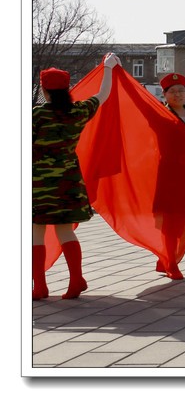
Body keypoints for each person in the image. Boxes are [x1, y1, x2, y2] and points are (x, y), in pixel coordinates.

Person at [32, 54, 120, 300]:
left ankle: (39, 286)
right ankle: (76, 280)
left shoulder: (37, 115)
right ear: (67, 89)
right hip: (69, 182)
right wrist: (108, 68)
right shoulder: (79, 111)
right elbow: (103, 95)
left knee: (36, 232)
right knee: (65, 231)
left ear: (45, 90)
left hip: (39, 183)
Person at [155, 72, 185, 280]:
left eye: (181, 91)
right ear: (165, 95)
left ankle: (167, 256)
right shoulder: (161, 115)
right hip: (169, 173)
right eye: (172, 92)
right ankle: (171, 263)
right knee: (169, 219)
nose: (178, 95)